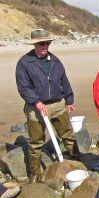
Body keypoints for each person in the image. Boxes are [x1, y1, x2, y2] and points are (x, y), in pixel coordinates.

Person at [15, 29, 80, 184]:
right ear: (35, 44)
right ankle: (34, 175)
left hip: (58, 104)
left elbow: (64, 81)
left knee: (68, 135)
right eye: (42, 43)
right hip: (36, 107)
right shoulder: (24, 63)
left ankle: (77, 161)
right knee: (36, 142)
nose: (45, 46)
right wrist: (37, 102)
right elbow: (23, 87)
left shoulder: (56, 61)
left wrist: (69, 100)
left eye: (47, 43)